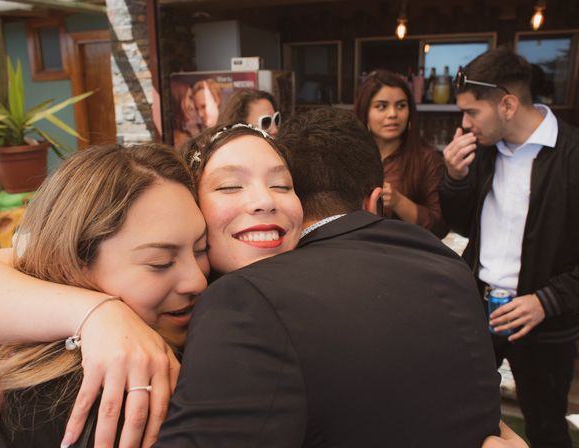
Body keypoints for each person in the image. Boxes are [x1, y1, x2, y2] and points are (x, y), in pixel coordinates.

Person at [153, 107, 501, 446]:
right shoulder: (227, 303)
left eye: (282, 185)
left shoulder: (257, 299)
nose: (264, 201)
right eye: (230, 186)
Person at [0, 125, 303, 447]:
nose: (196, 280)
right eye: (160, 263)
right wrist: (95, 313)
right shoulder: (104, 397)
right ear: (75, 262)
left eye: (200, 249)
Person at [440, 48, 579, 448]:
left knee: (546, 427)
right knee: (466, 411)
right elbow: (461, 224)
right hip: (479, 305)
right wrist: (453, 177)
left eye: (471, 112)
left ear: (507, 104)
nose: (464, 124)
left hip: (545, 320)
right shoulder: (482, 151)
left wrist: (547, 300)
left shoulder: (572, 154)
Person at [355, 70, 448, 238]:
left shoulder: (427, 159)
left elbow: (440, 227)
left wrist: (398, 201)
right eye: (381, 106)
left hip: (407, 255)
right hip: (354, 250)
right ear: (365, 112)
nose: (393, 114)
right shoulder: (350, 155)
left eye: (401, 106)